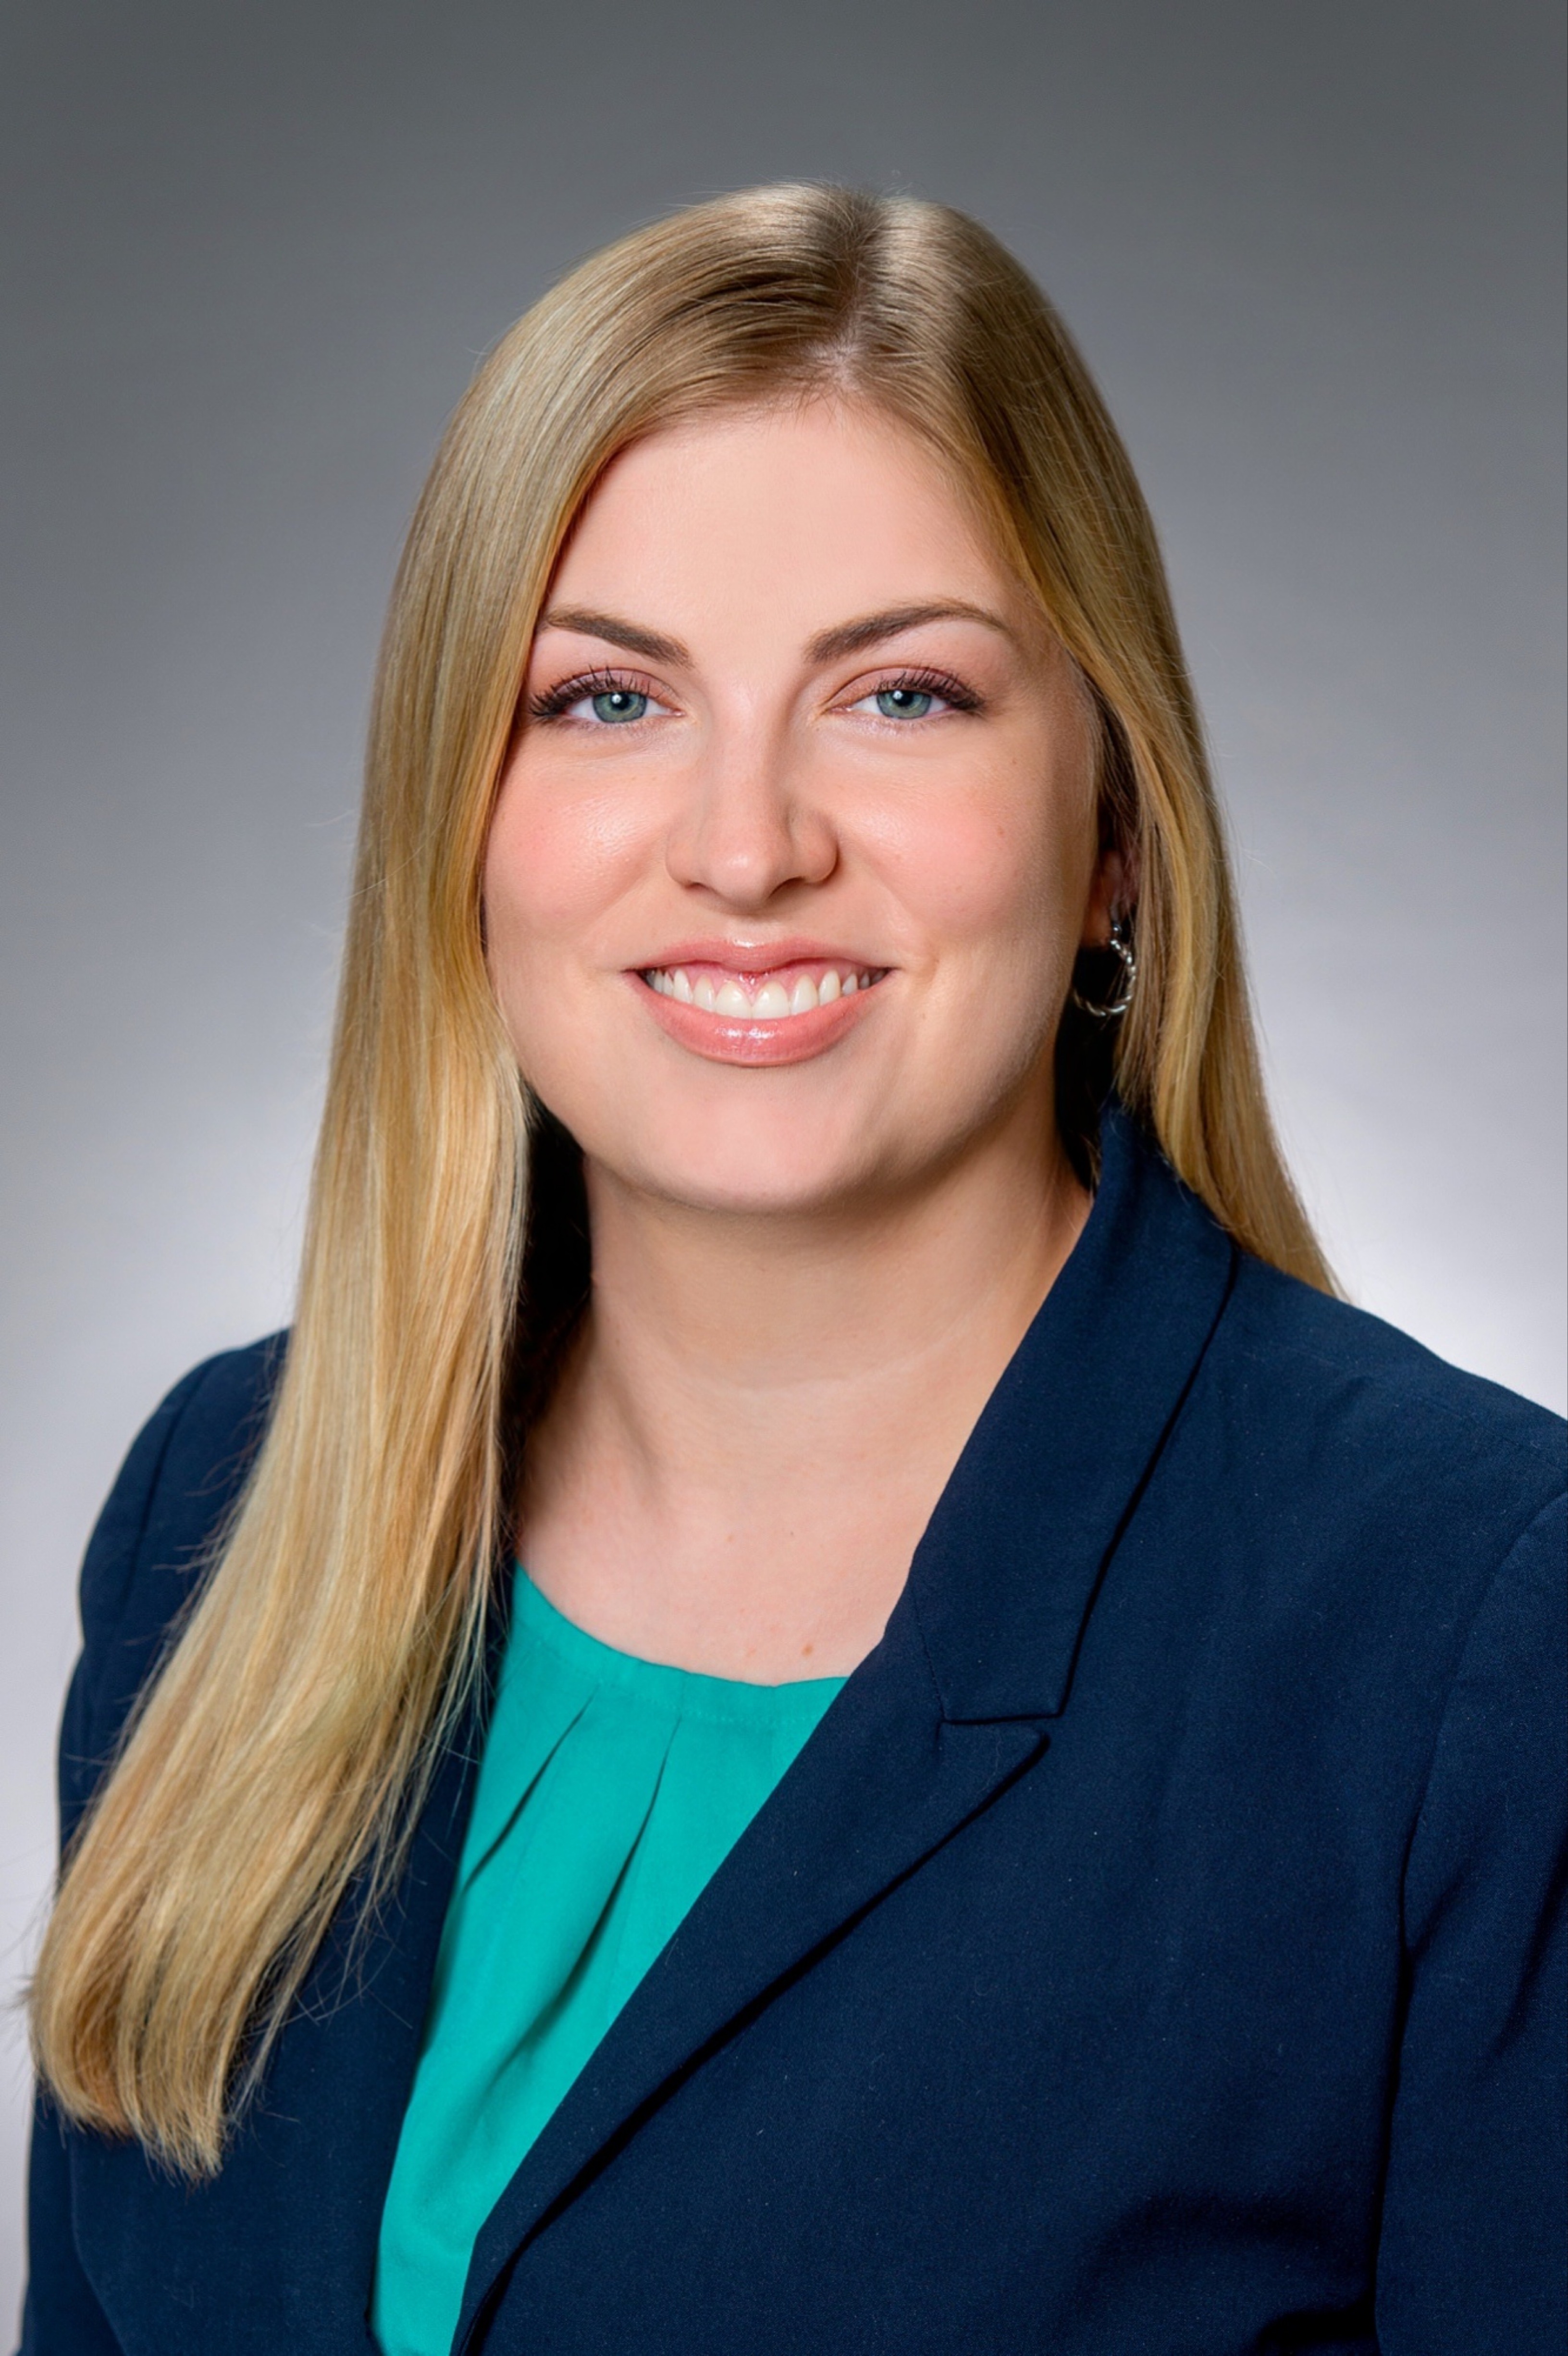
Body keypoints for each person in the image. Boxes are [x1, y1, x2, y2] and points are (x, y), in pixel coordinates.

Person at [18, 183, 1564, 2356]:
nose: (747, 846)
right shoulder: (221, 1502)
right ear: (456, 823)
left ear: (1114, 826)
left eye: (905, 694)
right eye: (606, 700)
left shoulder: (1480, 1633)